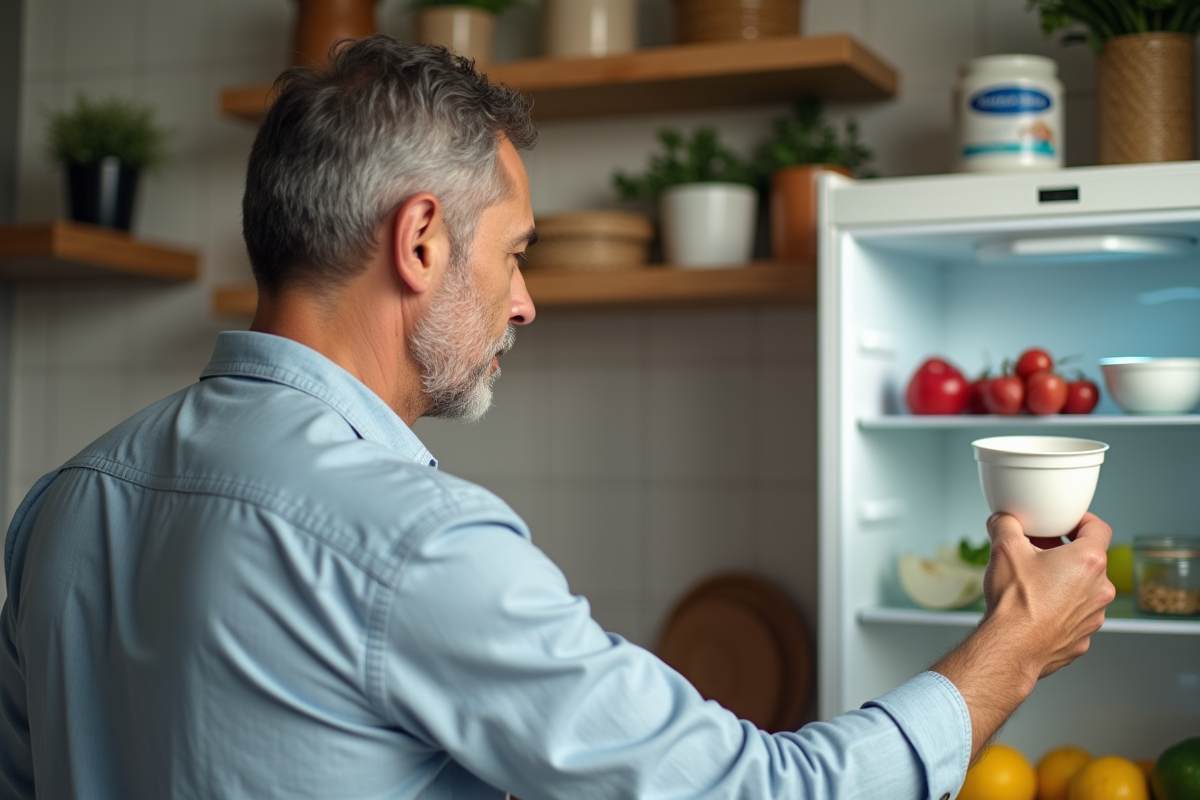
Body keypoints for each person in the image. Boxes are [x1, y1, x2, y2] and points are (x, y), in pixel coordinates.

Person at [0, 36, 1115, 800]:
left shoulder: (64, 501)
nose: (525, 299)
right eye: (514, 253)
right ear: (420, 241)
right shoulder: (414, 542)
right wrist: (1012, 650)